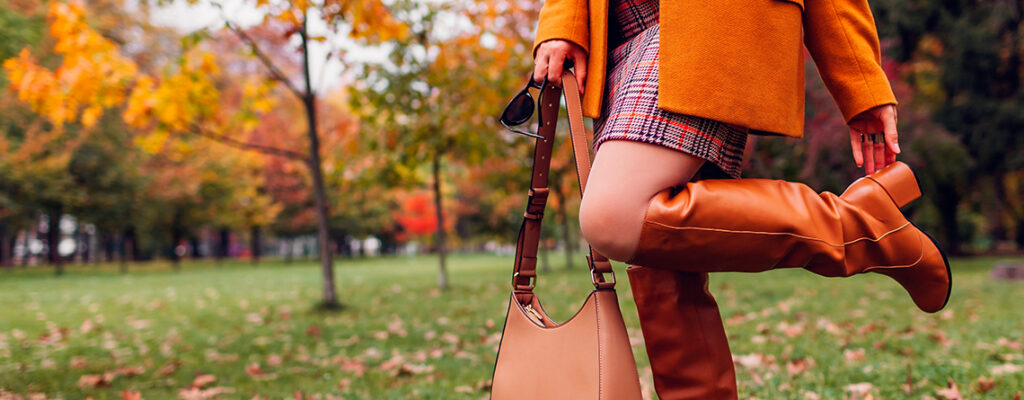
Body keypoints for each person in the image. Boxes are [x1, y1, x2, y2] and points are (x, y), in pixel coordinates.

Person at [530, 0, 952, 398]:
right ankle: (863, 222)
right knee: (663, 250)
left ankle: (857, 225)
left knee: (613, 215)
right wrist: (562, 23)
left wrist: (861, 83)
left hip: (715, 20)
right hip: (619, 31)